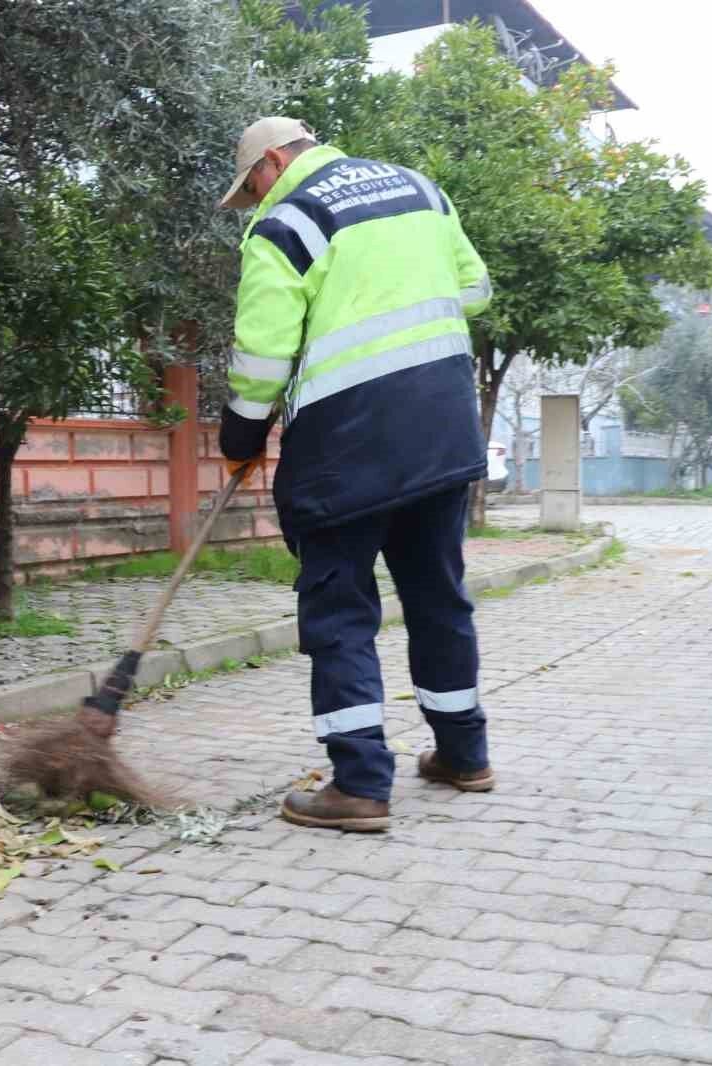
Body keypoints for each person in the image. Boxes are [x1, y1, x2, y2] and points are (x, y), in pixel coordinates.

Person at [216, 117, 496, 832]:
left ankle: (361, 784)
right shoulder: (421, 192)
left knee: (339, 609)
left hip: (347, 445)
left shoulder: (287, 224)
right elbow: (475, 291)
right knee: (438, 593)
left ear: (272, 161)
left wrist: (240, 436)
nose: (254, 202)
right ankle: (464, 755)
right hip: (440, 431)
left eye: (252, 186)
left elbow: (262, 353)